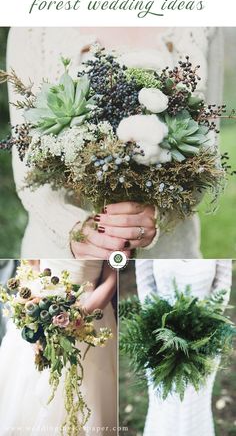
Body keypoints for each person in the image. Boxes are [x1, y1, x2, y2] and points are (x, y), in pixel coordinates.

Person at [7, 27, 223, 259]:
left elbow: (207, 148)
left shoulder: (201, 24)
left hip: (167, 261)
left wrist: (157, 218)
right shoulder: (33, 28)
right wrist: (72, 229)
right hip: (61, 263)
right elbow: (26, 160)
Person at [0, 259, 117, 435]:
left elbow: (111, 279)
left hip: (88, 308)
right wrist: (29, 312)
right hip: (39, 302)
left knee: (82, 388)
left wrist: (77, 318)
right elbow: (31, 265)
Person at [135, 258, 232, 436]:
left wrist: (202, 325)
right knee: (164, 403)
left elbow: (223, 286)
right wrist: (164, 330)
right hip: (161, 341)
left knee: (197, 404)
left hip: (204, 340)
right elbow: (146, 285)